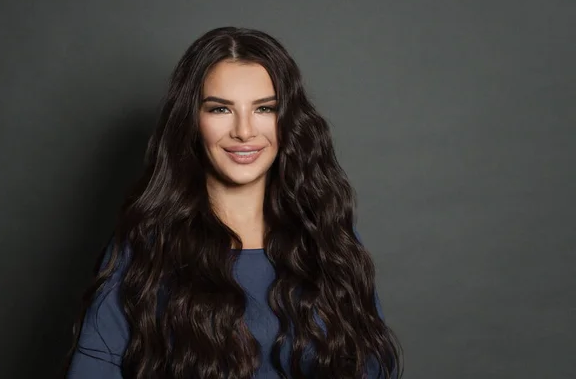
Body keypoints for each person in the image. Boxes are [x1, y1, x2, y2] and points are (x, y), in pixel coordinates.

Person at [64, 27, 403, 378]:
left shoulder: (328, 241)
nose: (244, 131)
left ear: (286, 119)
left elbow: (372, 367)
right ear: (192, 121)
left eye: (264, 108)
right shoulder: (145, 250)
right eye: (221, 109)